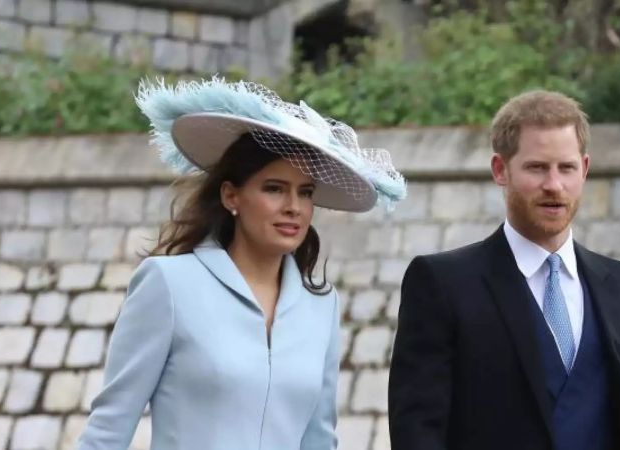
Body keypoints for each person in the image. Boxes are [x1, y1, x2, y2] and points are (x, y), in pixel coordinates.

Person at [77, 78, 406, 450]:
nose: (293, 207)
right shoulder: (169, 284)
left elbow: (318, 438)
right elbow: (108, 429)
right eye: (274, 188)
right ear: (231, 195)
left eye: (305, 192)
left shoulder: (321, 304)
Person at [389, 90, 620, 450]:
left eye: (566, 168)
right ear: (500, 170)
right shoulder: (442, 283)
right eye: (537, 167)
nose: (554, 185)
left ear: (584, 170)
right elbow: (418, 433)